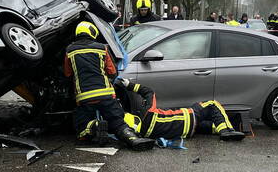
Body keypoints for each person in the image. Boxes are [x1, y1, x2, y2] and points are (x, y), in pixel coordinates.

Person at [62, 21, 154, 151]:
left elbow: (67, 73)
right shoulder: (102, 48)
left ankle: (95, 126)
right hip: (106, 95)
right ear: (92, 32)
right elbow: (112, 71)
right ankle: (133, 139)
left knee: (81, 128)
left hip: (84, 97)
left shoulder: (70, 50)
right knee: (118, 122)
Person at [114, 77, 244, 141]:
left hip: (187, 132)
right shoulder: (148, 113)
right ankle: (227, 131)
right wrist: (129, 85)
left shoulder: (144, 133)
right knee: (212, 104)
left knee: (206, 126)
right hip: (189, 116)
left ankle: (228, 127)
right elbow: (149, 92)